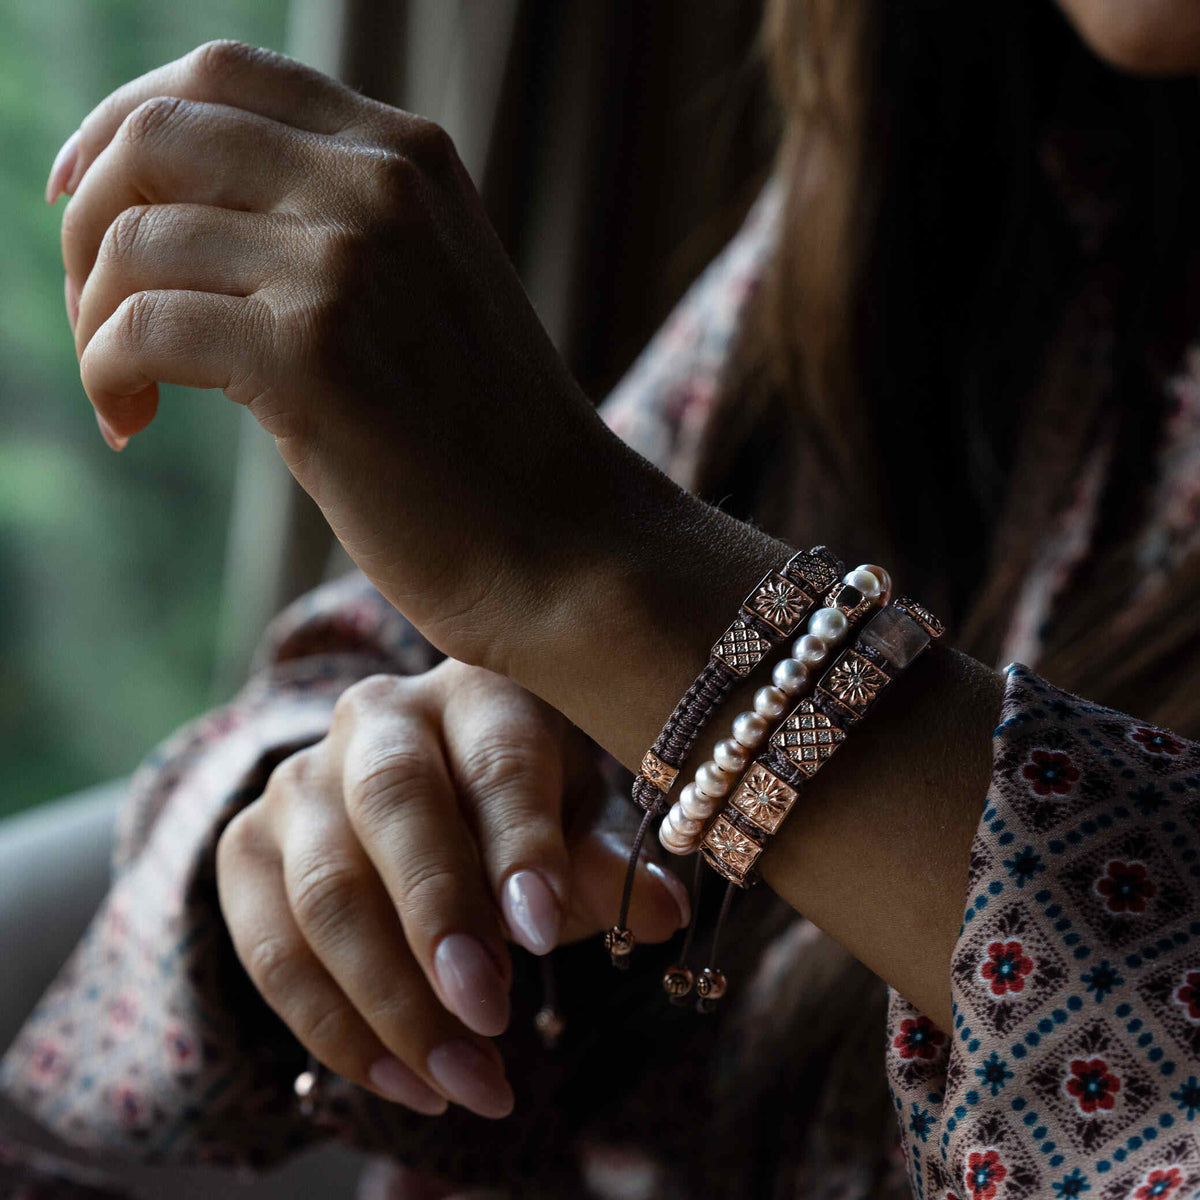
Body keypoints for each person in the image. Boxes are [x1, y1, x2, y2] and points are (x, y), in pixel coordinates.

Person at [4, 0, 1200, 1196]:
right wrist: (362, 814)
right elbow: (353, 684)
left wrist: (590, 575)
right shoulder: (942, 162)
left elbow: (567, 565)